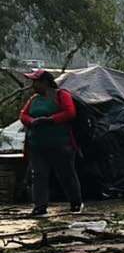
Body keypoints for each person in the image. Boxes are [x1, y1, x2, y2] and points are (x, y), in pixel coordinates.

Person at [19, 69, 83, 218]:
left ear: (45, 83)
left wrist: (49, 120)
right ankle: (40, 207)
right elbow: (23, 115)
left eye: (35, 82)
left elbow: (70, 112)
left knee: (66, 175)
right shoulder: (34, 100)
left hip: (61, 145)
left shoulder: (61, 95)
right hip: (37, 146)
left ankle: (75, 203)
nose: (33, 85)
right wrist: (31, 121)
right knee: (39, 175)